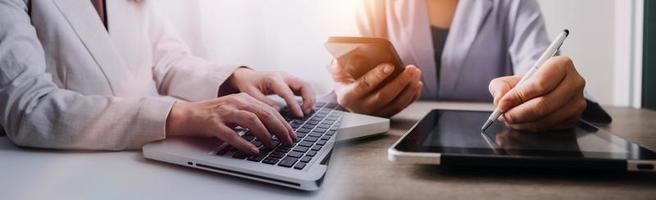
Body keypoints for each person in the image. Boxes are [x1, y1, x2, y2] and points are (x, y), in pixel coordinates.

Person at [0, 0, 315, 154]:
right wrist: (179, 115)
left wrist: (236, 77)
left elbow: (169, 61)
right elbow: (29, 108)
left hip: (138, 163)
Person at [331, 0, 597, 131]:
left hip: (494, 148)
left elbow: (540, 67)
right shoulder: (371, 4)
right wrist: (350, 97)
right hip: (386, 147)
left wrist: (554, 91)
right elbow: (346, 81)